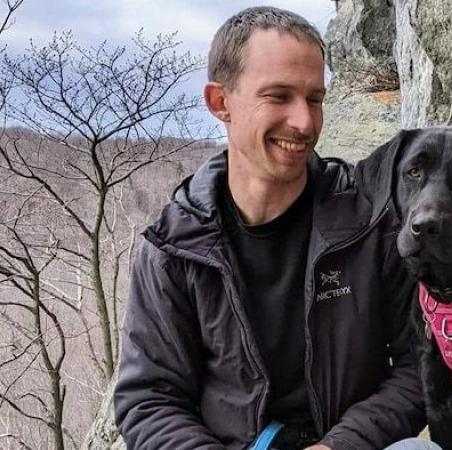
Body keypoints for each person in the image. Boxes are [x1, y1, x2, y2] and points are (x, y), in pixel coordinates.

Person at [114, 6, 428, 450]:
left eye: (314, 99)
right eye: (279, 96)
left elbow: (420, 365)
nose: (303, 123)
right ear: (220, 103)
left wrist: (340, 445)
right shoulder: (175, 248)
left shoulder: (372, 220)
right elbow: (149, 399)